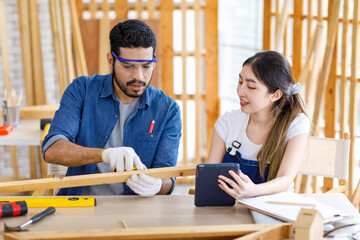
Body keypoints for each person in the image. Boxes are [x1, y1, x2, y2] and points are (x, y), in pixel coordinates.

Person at [41, 19, 182, 197]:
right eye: (128, 66)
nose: (138, 76)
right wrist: (104, 154)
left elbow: (168, 178)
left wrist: (157, 185)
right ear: (111, 60)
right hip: (80, 204)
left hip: (136, 211)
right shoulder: (82, 90)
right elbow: (52, 149)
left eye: (146, 66)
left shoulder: (168, 110)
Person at [207, 51, 310, 199]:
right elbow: (209, 175)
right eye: (240, 82)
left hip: (276, 207)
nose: (240, 91)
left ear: (275, 95)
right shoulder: (228, 122)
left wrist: (252, 191)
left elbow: (285, 179)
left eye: (251, 87)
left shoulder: (296, 123)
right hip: (231, 208)